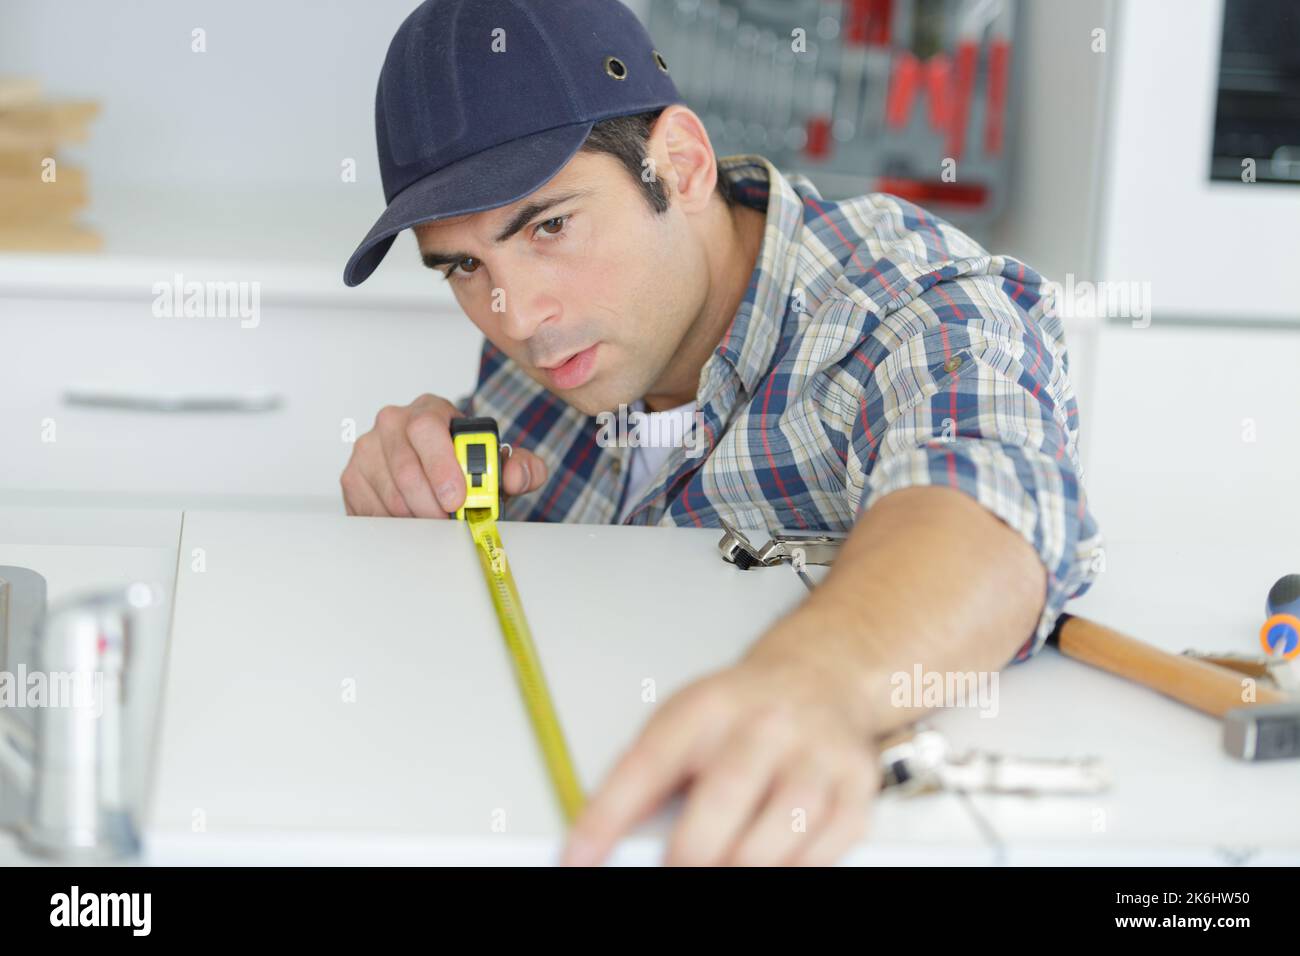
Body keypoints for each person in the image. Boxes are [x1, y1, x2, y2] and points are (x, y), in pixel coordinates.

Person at [340, 0, 1103, 866]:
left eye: (550, 226)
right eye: (465, 267)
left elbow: (992, 515)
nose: (518, 320)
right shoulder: (558, 334)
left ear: (682, 164)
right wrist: (424, 494)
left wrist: (816, 684)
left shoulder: (909, 305)